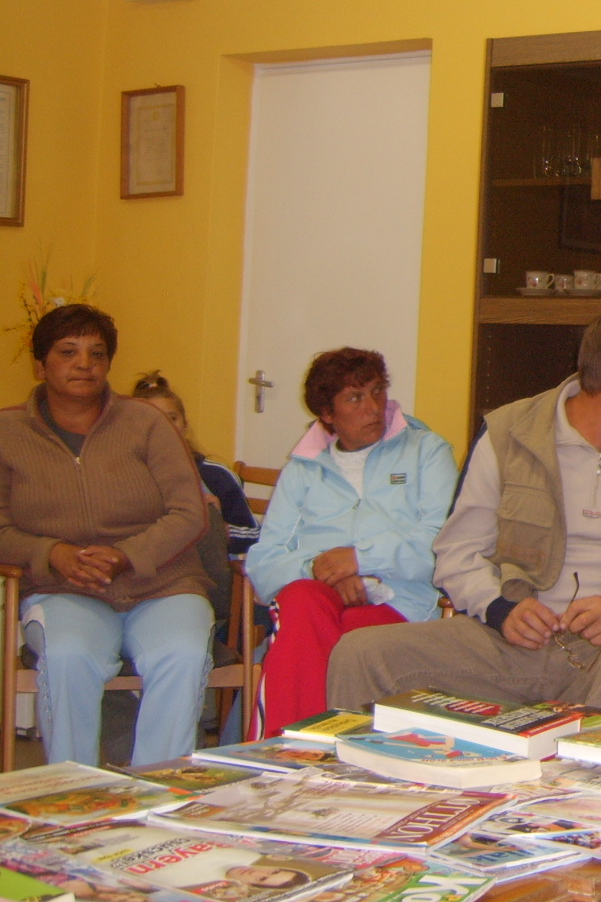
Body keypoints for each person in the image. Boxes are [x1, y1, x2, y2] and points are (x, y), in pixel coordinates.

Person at [327, 307, 601, 718]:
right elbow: (457, 552)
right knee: (361, 653)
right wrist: (500, 609)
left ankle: (590, 771)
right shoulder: (508, 433)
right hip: (507, 642)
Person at [0, 304, 213, 768]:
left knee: (183, 651)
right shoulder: (7, 432)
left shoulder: (146, 423)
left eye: (97, 353)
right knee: (68, 655)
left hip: (162, 585)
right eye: (68, 352)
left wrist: (126, 556)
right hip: (63, 589)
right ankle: (71, 788)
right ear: (40, 365)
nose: (84, 364)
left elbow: (188, 512)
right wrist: (52, 552)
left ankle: (159, 786)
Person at [245, 348, 457, 737]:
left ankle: (292, 747)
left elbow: (441, 546)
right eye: (355, 398)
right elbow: (263, 564)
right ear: (327, 414)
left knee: (323, 643)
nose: (373, 408)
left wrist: (361, 560)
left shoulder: (426, 451)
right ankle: (308, 747)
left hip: (402, 604)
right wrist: (321, 570)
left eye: (377, 391)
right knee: (302, 600)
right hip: (318, 600)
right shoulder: (303, 469)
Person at [130, 371, 259, 556]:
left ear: (185, 425)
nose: (164, 428)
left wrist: (217, 524)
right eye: (150, 420)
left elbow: (255, 536)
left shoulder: (215, 475)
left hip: (205, 568)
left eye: (171, 418)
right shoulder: (124, 474)